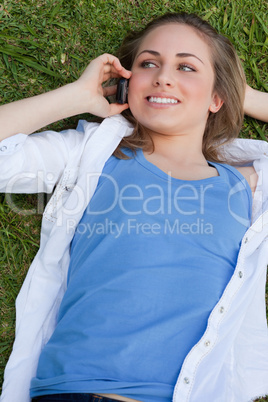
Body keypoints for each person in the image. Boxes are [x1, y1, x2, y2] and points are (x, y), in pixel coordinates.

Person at [0, 12, 267, 402]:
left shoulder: (246, 184)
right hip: (72, 391)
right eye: (148, 63)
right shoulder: (92, 155)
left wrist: (246, 96)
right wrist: (75, 96)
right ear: (127, 82)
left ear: (218, 97)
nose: (163, 76)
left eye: (186, 67)